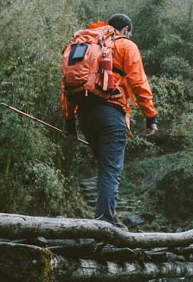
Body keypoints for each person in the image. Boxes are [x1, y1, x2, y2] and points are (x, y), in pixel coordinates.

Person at [59, 14, 158, 228]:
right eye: (129, 33)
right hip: (111, 113)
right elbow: (139, 82)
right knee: (111, 170)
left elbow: (66, 86)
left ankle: (109, 217)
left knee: (105, 168)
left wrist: (70, 123)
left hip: (85, 115)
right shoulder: (124, 45)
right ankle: (104, 224)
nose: (129, 36)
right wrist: (151, 117)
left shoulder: (83, 46)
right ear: (124, 29)